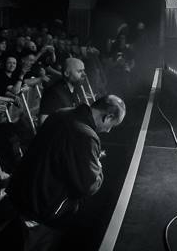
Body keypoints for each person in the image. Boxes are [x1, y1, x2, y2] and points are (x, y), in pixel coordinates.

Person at [7, 95, 126, 251]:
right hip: (41, 208)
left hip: (22, 193)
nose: (109, 130)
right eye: (112, 125)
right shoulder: (86, 136)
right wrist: (98, 165)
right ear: (108, 117)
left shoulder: (61, 113)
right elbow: (89, 185)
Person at [38, 57, 86, 122]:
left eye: (83, 70)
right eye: (79, 71)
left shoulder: (75, 89)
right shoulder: (53, 93)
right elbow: (43, 122)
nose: (84, 74)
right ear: (67, 73)